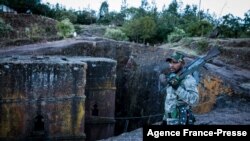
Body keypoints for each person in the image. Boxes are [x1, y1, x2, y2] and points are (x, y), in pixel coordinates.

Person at [159, 51, 199, 125]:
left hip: (182, 121)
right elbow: (170, 101)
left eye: (175, 62)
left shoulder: (188, 79)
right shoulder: (173, 78)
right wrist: (165, 119)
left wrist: (177, 87)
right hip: (170, 120)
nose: (171, 65)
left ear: (182, 63)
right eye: (170, 62)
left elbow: (194, 100)